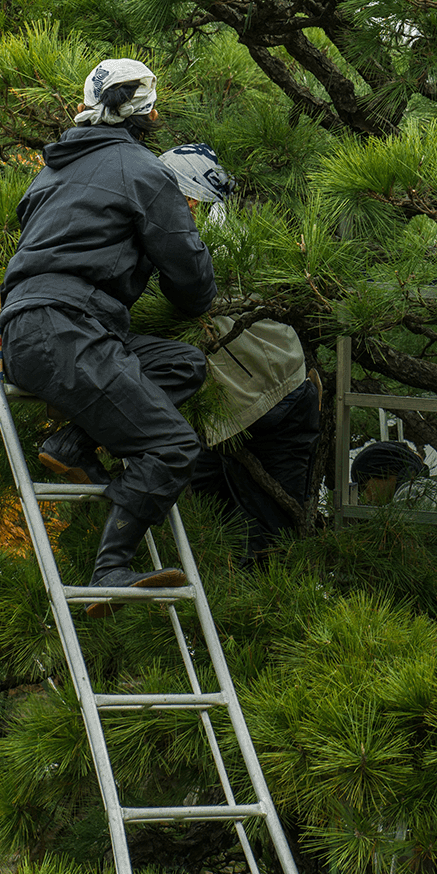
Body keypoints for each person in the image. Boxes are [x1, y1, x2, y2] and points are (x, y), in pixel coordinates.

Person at [0, 58, 217, 613]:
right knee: (171, 447)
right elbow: (190, 282)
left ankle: (71, 445)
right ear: (148, 115)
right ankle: (111, 568)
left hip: (29, 330)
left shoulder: (51, 173)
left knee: (181, 365)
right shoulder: (143, 171)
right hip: (68, 331)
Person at [155, 144, 322, 565]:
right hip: (222, 413)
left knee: (268, 543)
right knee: (209, 536)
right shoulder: (189, 238)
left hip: (274, 402)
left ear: (192, 200)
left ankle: (268, 600)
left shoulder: (217, 245)